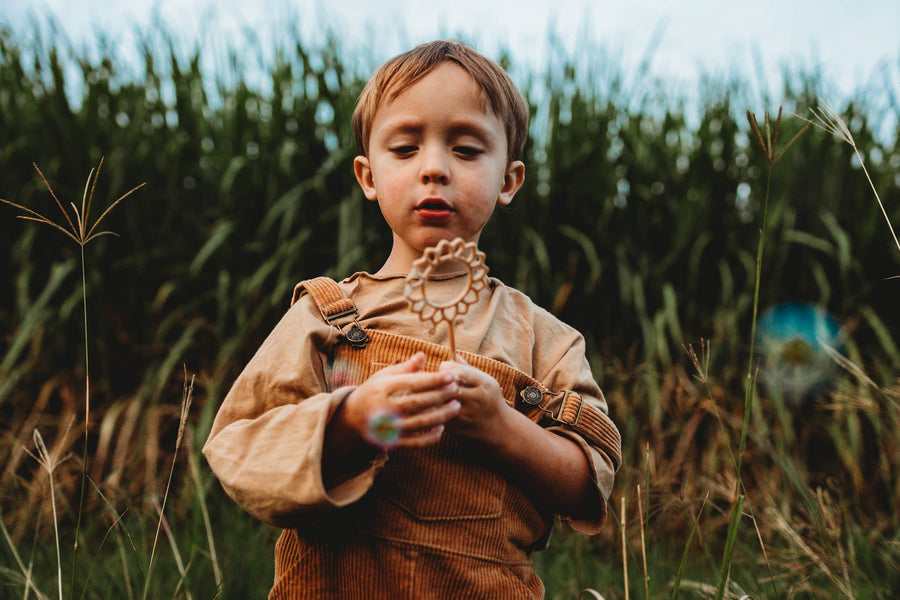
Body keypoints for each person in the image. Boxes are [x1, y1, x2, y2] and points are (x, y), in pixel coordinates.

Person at [203, 39, 622, 599]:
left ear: (508, 181)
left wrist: (503, 428)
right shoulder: (324, 316)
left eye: (467, 150)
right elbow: (240, 446)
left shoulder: (543, 338)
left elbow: (587, 482)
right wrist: (352, 422)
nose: (433, 169)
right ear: (367, 175)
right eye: (404, 148)